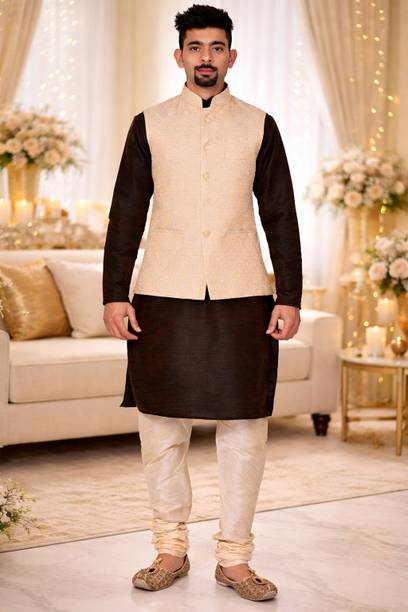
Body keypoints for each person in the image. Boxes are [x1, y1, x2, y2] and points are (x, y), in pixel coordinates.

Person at [102, 3, 302, 602]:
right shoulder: (150, 124)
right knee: (161, 425)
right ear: (179, 56)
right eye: (196, 47)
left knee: (245, 428)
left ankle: (235, 559)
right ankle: (170, 549)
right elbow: (125, 214)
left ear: (231, 56)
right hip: (164, 291)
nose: (206, 57)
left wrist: (289, 295)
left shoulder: (261, 125)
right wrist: (114, 293)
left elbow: (281, 215)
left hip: (244, 293)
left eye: (216, 47)